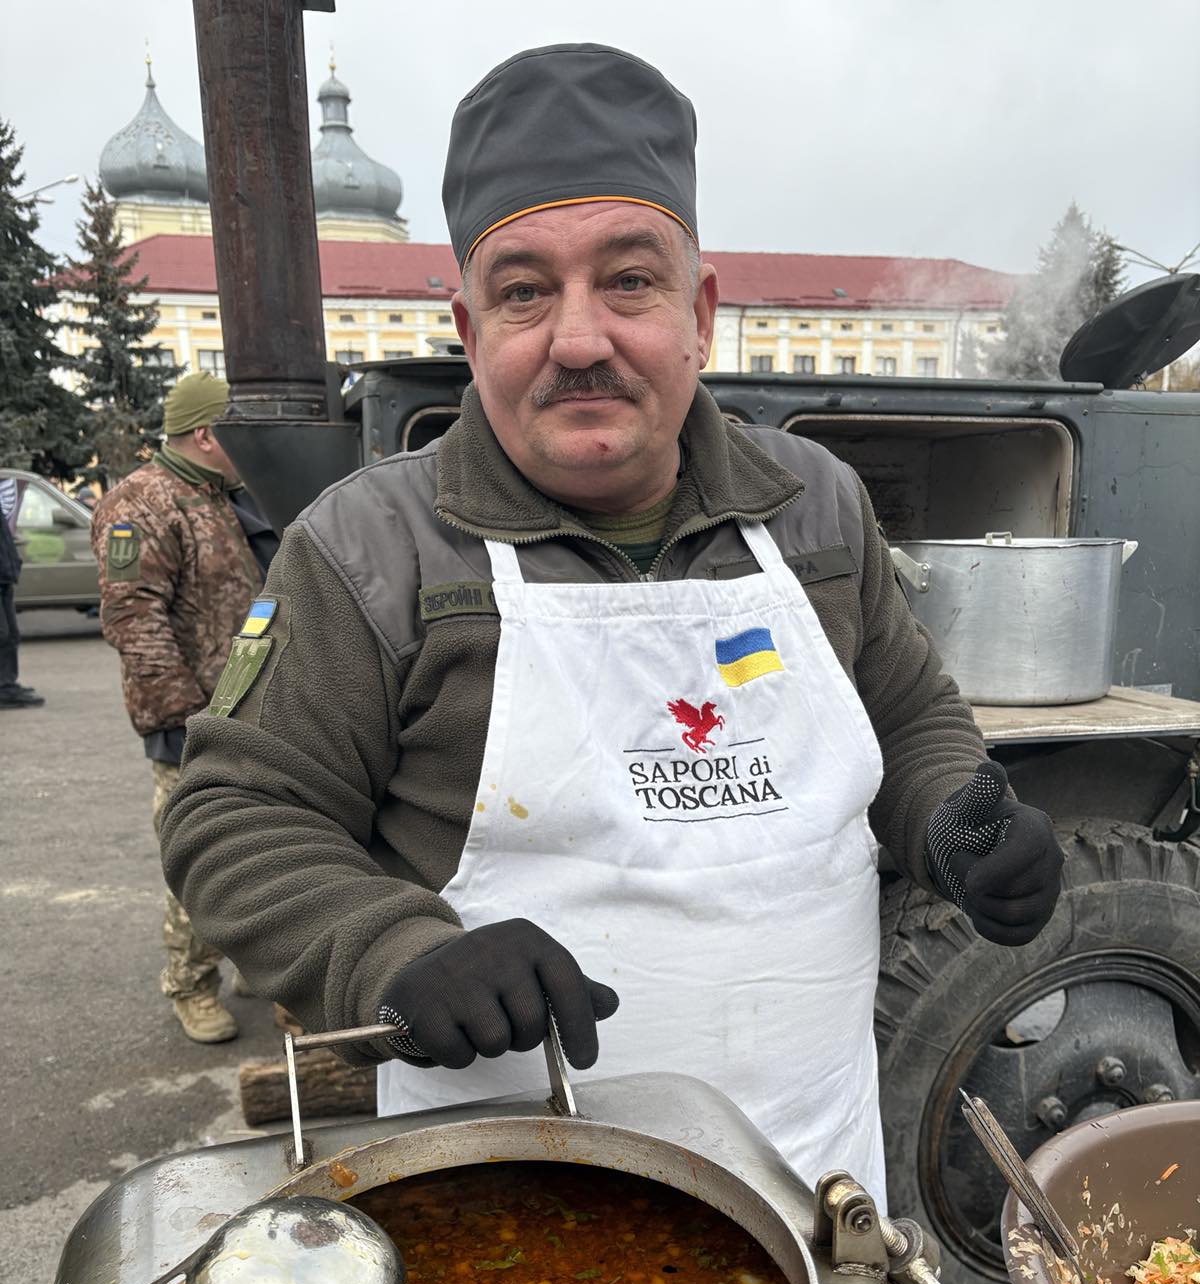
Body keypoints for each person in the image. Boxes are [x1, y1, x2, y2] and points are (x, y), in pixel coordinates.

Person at [161, 44, 1062, 1203]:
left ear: (700, 314)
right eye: (525, 291)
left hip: (815, 1167)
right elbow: (236, 812)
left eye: (627, 282)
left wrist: (952, 814)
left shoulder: (818, 506)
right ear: (470, 325)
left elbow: (907, 712)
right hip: (503, 1187)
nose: (578, 339)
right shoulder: (370, 547)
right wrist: (394, 951)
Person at [92, 371, 277, 1043]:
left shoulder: (224, 495)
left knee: (259, 850)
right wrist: (186, 720)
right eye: (237, 434)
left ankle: (250, 960)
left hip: (251, 714)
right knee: (196, 858)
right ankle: (190, 985)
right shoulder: (139, 503)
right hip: (191, 725)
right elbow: (133, 621)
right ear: (205, 434)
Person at [0, 478, 42, 709]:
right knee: (3, 634)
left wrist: (12, 567)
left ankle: (8, 684)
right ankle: (4, 689)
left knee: (12, 634)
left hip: (4, 576)